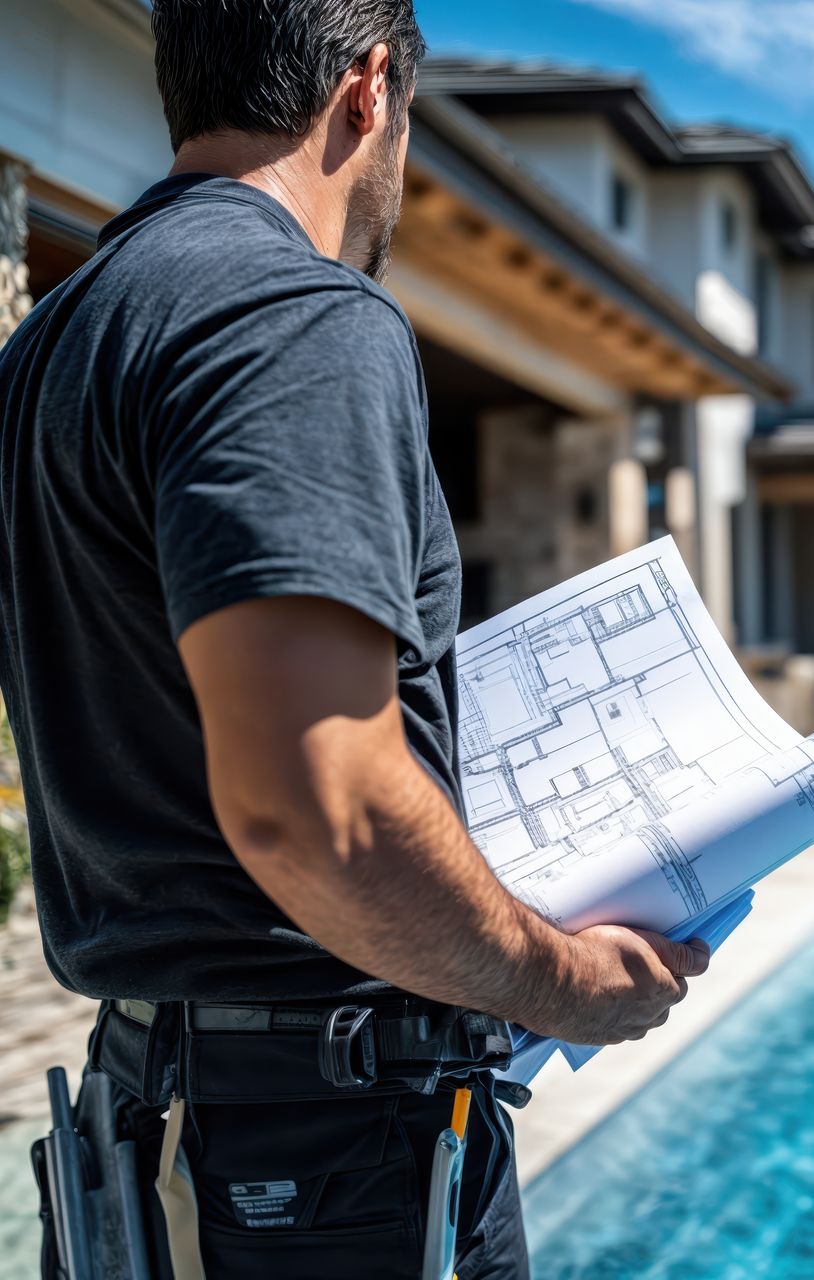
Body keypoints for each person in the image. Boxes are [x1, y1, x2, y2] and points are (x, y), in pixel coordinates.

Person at [0, 2, 711, 1275]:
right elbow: (317, 808)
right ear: (369, 87)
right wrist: (561, 981)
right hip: (324, 1156)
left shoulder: (51, 344)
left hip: (148, 1118)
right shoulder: (294, 312)